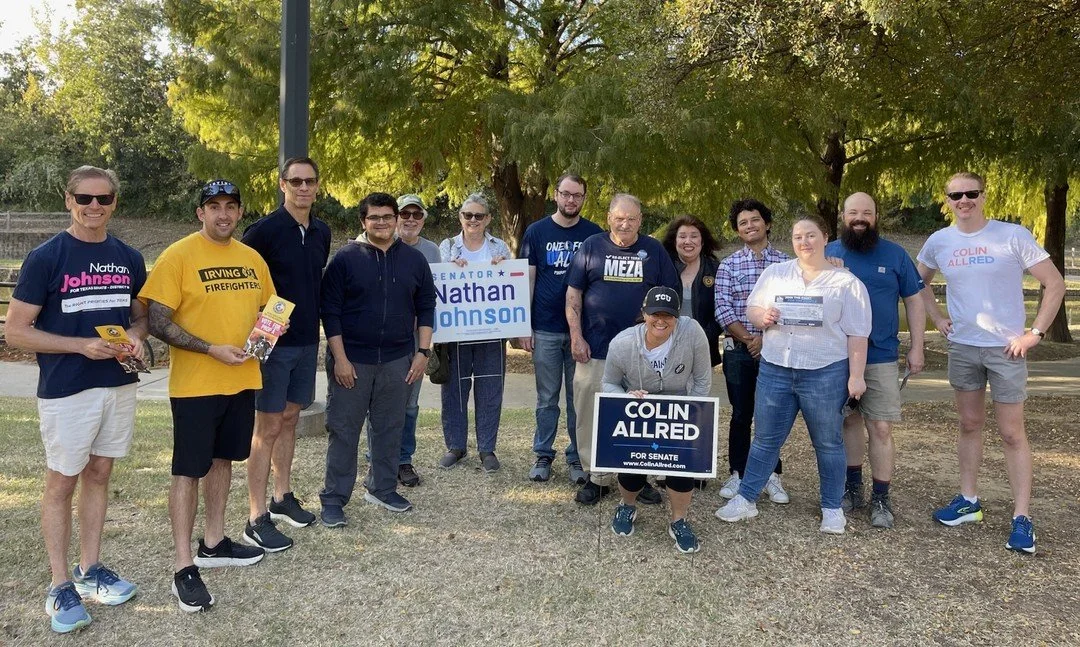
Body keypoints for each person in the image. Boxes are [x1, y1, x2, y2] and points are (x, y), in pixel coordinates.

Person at [7, 166, 145, 633]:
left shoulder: (127, 257)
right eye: (84, 198)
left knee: (100, 473)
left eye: (103, 199)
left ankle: (91, 570)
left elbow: (138, 318)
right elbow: (16, 331)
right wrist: (78, 345)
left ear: (114, 203)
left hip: (118, 383)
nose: (93, 207)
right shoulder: (47, 257)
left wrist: (136, 337)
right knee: (62, 481)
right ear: (68, 200)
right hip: (68, 388)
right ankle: (60, 584)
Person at [916, 171, 1065, 554]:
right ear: (946, 199)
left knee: (1013, 433)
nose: (963, 200)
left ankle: (1021, 518)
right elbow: (919, 283)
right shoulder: (939, 241)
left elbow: (1054, 282)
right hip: (963, 347)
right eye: (955, 195)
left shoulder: (1012, 235)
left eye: (971, 194)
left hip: (1006, 350)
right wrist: (937, 317)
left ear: (983, 196)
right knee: (969, 424)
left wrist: (1036, 333)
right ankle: (969, 500)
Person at [140, 180, 272, 613]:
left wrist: (270, 330)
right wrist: (210, 348)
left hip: (242, 380)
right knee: (188, 471)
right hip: (196, 385)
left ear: (239, 212)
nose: (223, 214)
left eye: (230, 207)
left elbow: (269, 311)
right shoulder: (178, 255)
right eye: (213, 206)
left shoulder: (252, 258)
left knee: (222, 462)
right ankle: (183, 566)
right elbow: (157, 321)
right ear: (200, 213)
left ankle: (213, 543)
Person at [716, 215, 871, 535]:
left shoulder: (846, 283)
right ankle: (746, 499)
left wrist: (856, 377)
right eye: (798, 236)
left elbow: (857, 334)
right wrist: (763, 315)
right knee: (765, 440)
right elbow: (753, 308)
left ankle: (832, 507)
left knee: (828, 443)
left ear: (825, 237)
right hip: (776, 369)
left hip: (825, 371)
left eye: (811, 235)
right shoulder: (776, 273)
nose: (804, 242)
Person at [319, 193, 436, 526]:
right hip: (352, 361)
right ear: (363, 222)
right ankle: (334, 498)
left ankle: (382, 488)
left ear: (397, 219)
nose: (382, 223)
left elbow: (426, 306)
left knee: (389, 428)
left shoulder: (414, 260)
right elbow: (331, 313)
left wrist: (423, 352)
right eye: (375, 218)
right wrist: (340, 359)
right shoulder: (345, 259)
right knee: (344, 431)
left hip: (398, 360)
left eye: (388, 216)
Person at [240, 157, 331, 551]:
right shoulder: (263, 231)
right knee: (267, 427)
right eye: (296, 181)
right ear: (282, 185)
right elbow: (240, 280)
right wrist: (259, 316)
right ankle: (255, 515)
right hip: (270, 339)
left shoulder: (322, 231)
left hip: (307, 339)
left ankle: (281, 497)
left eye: (310, 181)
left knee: (291, 418)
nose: (303, 188)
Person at [565, 193, 680, 505]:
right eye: (619, 218)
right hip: (595, 348)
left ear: (641, 220)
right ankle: (596, 476)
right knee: (590, 410)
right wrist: (576, 336)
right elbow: (573, 295)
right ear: (609, 219)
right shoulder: (590, 246)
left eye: (631, 218)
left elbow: (670, 299)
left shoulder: (655, 251)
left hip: (643, 352)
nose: (625, 224)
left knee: (640, 415)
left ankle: (636, 478)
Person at [826, 192, 926, 529]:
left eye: (866, 212)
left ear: (876, 216)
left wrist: (917, 347)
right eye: (853, 212)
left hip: (881, 355)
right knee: (848, 423)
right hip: (837, 356)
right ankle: (852, 487)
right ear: (843, 215)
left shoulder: (896, 255)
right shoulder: (828, 253)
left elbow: (914, 301)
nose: (859, 218)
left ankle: (881, 497)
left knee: (880, 426)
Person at [603, 287, 712, 553]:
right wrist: (627, 398)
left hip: (677, 410)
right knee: (631, 465)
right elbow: (608, 383)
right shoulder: (622, 343)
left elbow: (702, 380)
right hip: (639, 409)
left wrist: (690, 413)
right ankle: (627, 506)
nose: (661, 321)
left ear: (677, 316)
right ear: (644, 314)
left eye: (668, 315)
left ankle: (679, 520)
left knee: (681, 467)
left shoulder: (692, 332)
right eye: (654, 314)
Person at [518, 174, 602, 483]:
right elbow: (527, 279)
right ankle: (543, 454)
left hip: (582, 332)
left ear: (583, 198)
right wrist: (523, 325)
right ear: (556, 195)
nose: (570, 200)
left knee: (578, 398)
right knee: (546, 397)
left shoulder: (594, 234)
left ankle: (578, 456)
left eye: (577, 195)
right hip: (545, 328)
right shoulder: (536, 232)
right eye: (565, 194)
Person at [713, 199, 790, 504]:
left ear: (767, 223)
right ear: (737, 230)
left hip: (778, 351)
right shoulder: (729, 265)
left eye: (755, 220)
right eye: (743, 223)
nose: (749, 226)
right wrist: (750, 340)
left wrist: (766, 341)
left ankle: (772, 474)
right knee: (742, 414)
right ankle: (738, 472)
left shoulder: (786, 264)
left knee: (772, 415)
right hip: (739, 351)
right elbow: (723, 308)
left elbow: (792, 306)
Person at [437, 194, 511, 472]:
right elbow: (439, 283)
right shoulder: (447, 247)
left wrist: (503, 268)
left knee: (490, 390)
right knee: (454, 391)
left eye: (479, 216)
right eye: (468, 215)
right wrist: (449, 270)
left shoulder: (499, 246)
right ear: (460, 217)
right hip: (456, 332)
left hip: (491, 331)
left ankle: (487, 449)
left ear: (488, 218)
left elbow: (508, 286)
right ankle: (456, 446)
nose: (473, 220)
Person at [386, 193, 441, 487]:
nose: (410, 219)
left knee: (409, 404)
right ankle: (380, 457)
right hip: (381, 339)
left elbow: (435, 299)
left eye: (416, 215)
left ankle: (404, 459)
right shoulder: (372, 242)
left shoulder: (431, 251)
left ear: (423, 219)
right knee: (380, 402)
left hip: (415, 340)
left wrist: (426, 345)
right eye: (404, 214)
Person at [661, 215, 723, 367]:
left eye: (694, 236)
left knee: (698, 390)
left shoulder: (716, 269)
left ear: (702, 240)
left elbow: (721, 311)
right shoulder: (663, 267)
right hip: (665, 346)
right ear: (674, 241)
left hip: (702, 348)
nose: (688, 241)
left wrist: (700, 338)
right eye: (682, 236)